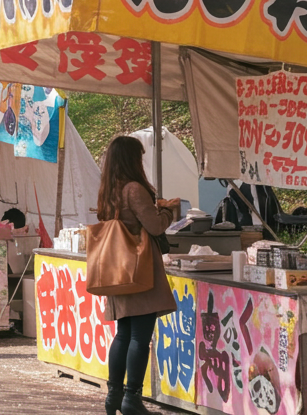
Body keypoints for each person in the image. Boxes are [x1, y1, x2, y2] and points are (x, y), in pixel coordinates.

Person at [96, 135, 180, 415]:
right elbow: (155, 227)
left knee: (123, 334)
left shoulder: (109, 190)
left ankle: (113, 395)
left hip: (117, 270)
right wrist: (168, 210)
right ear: (132, 159)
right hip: (139, 270)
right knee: (140, 337)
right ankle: (132, 398)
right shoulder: (134, 189)